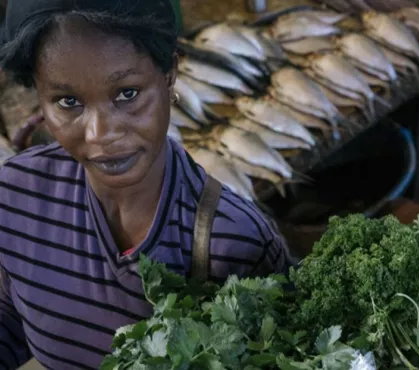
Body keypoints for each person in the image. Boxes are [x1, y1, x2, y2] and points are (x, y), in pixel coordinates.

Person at [0, 0, 292, 368]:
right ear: (39, 97)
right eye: (68, 101)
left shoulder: (236, 243)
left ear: (170, 74)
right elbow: (12, 321)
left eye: (127, 94)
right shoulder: (16, 195)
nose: (101, 133)